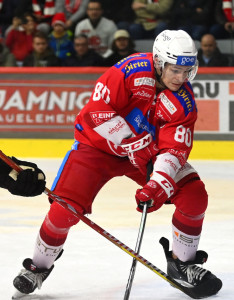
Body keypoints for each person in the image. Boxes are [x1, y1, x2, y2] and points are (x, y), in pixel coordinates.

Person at [12, 29, 222, 299]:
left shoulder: (183, 101)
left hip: (145, 157)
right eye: (175, 70)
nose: (181, 78)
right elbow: (97, 112)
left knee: (194, 195)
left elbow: (174, 149)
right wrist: (134, 144)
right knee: (65, 210)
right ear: (158, 62)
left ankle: (182, 263)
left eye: (187, 71)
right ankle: (37, 268)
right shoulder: (130, 71)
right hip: (96, 147)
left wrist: (158, 183)